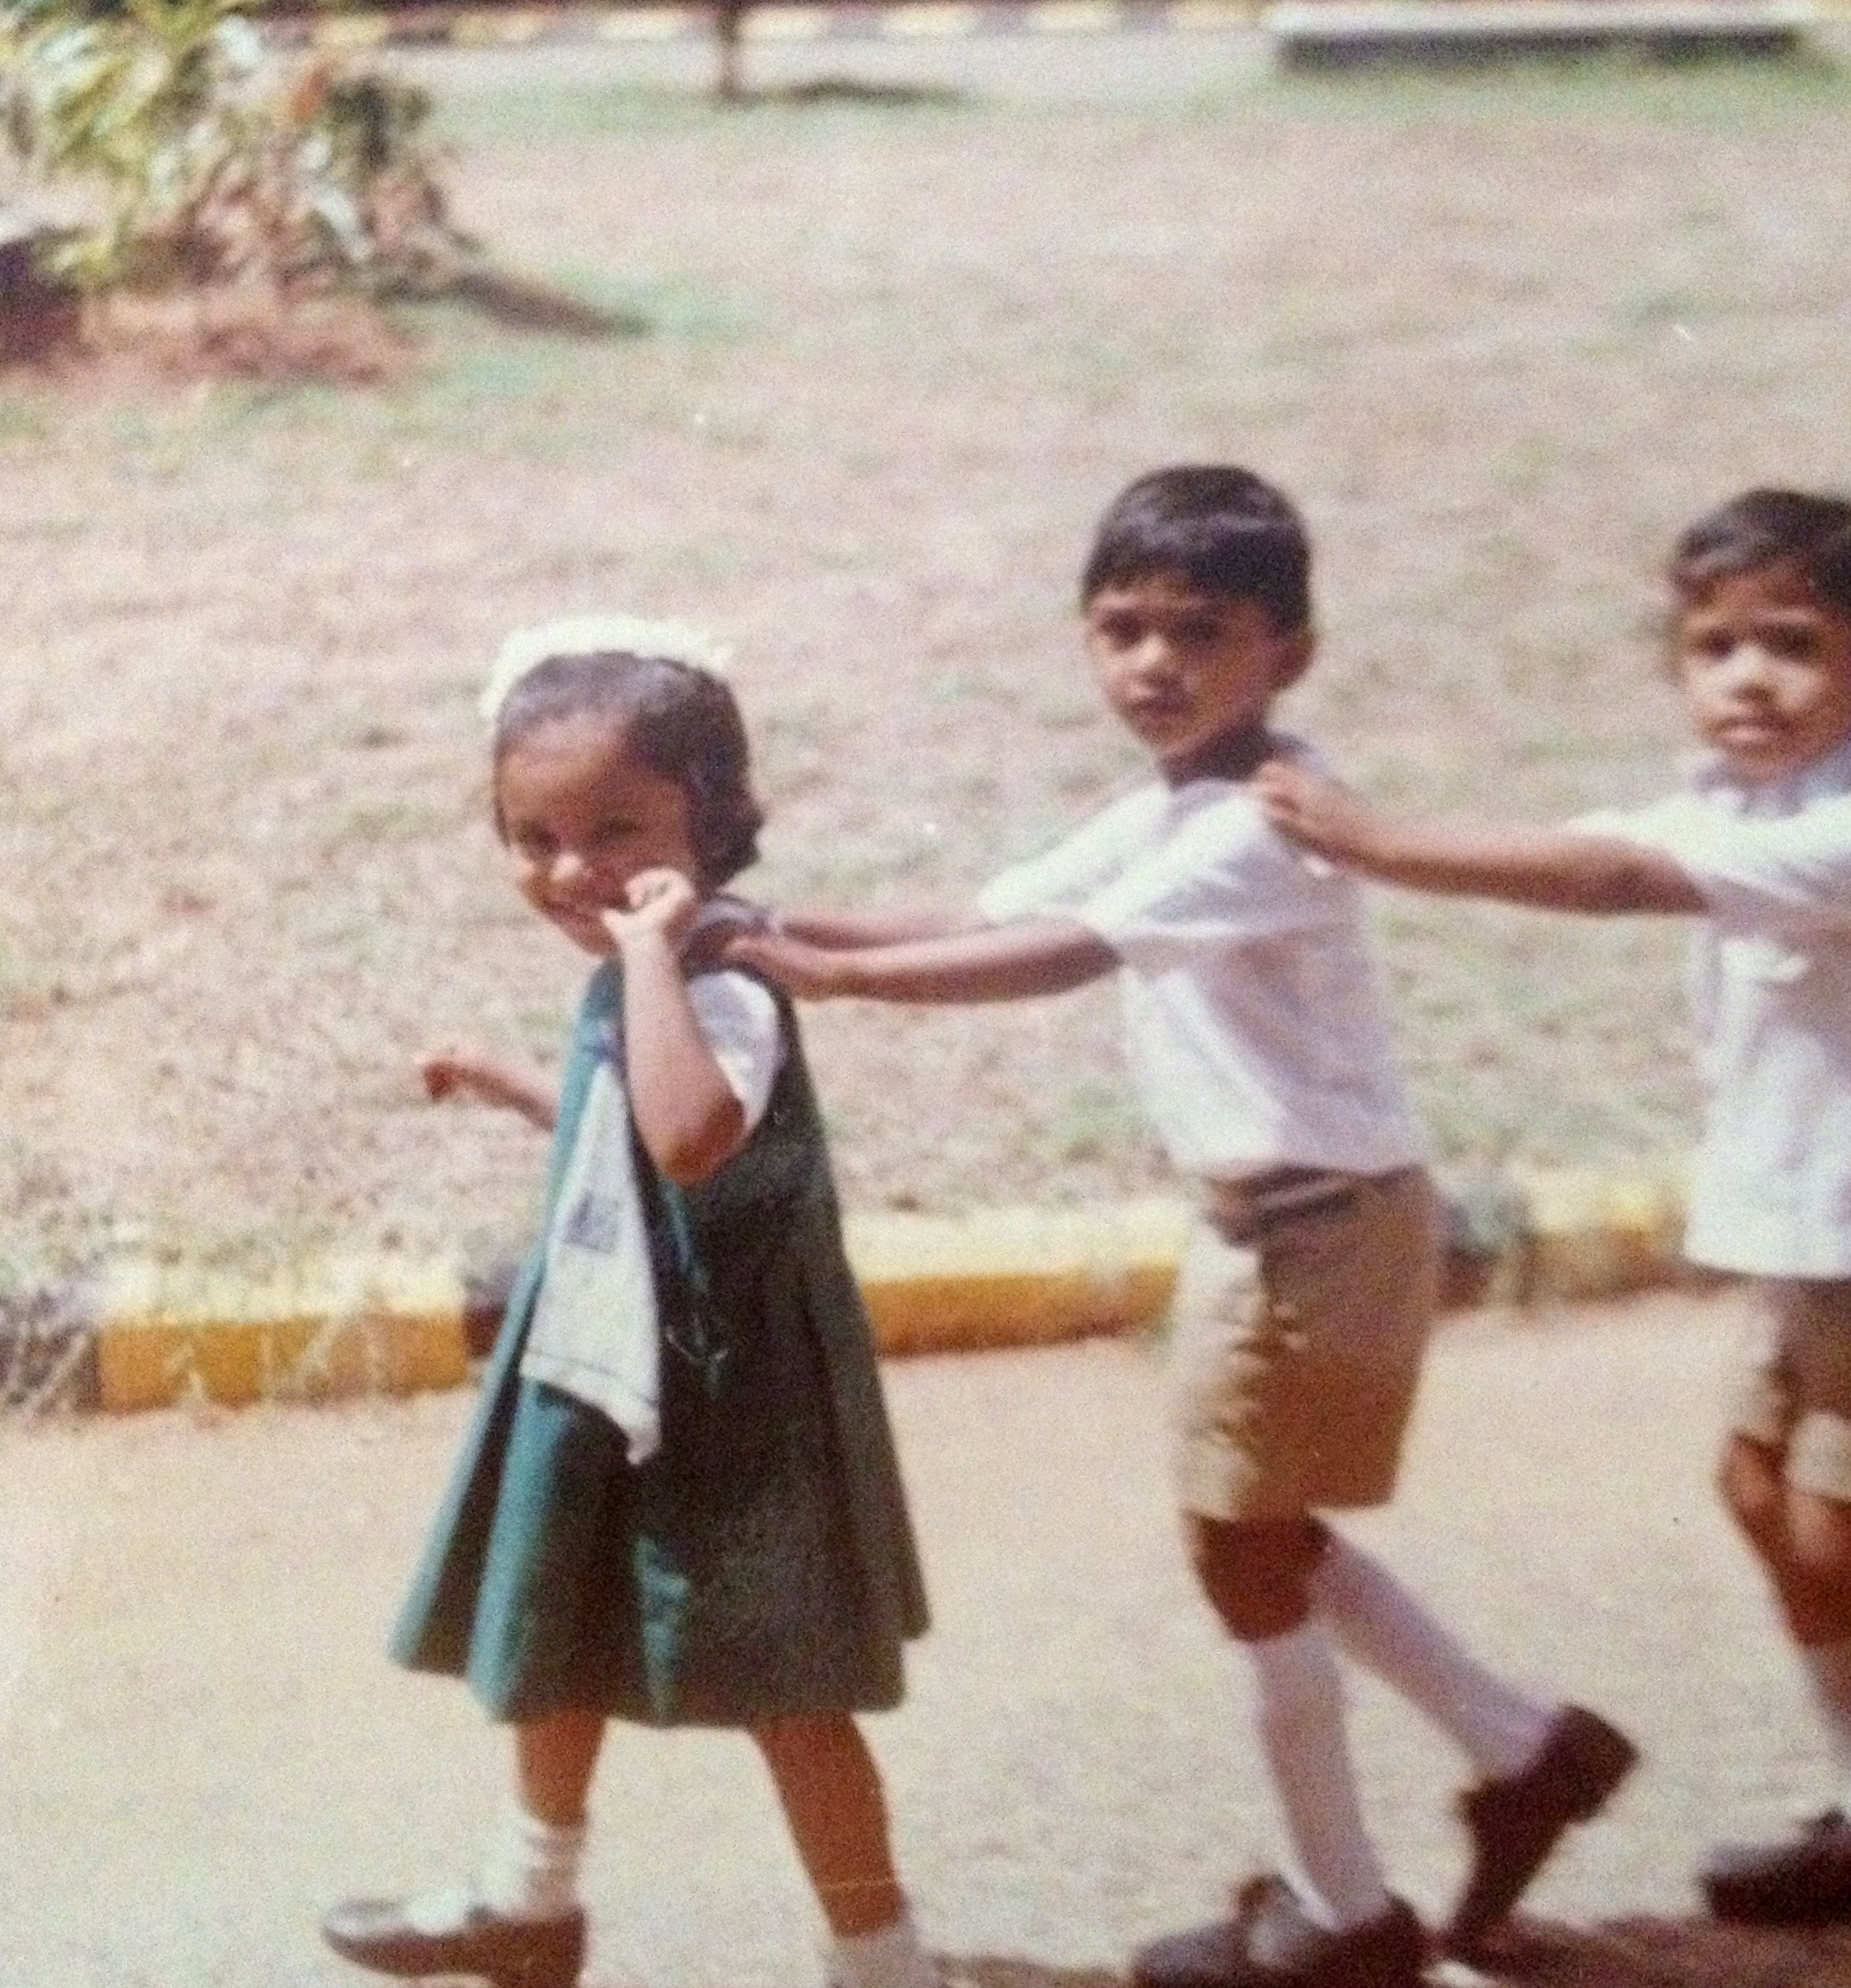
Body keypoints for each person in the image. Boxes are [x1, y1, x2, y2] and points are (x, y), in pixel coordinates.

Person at [728, 466, 1637, 1988]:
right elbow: (985, 912)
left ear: (1289, 650)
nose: (1152, 665)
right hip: (1279, 1224)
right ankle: (1522, 1746)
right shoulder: (1172, 801)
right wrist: (767, 924)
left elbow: (1061, 956)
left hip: (1318, 1229)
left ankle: (1343, 1915)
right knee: (1262, 1533)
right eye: (1121, 628)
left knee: (1240, 1554)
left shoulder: (1268, 823)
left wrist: (832, 982)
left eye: (1199, 632)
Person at [1255, 489, 1851, 1934]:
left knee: (1842, 1544)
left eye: (1795, 646)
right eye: (1715, 646)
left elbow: (1615, 877)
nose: (1748, 678)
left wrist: (1378, 841)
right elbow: (1606, 834)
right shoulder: (1762, 797)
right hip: (1831, 1239)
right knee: (1761, 1497)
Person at [319, 618, 934, 1988]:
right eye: (533, 837)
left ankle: (882, 1959)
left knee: (794, 1695)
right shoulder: (646, 977)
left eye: (618, 829)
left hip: (734, 1403)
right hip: (608, 1362)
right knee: (558, 1633)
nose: (572, 871)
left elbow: (687, 1138)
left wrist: (651, 963)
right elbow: (619, 1132)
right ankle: (527, 1904)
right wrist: (509, 1082)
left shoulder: (726, 988)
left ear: (711, 820)